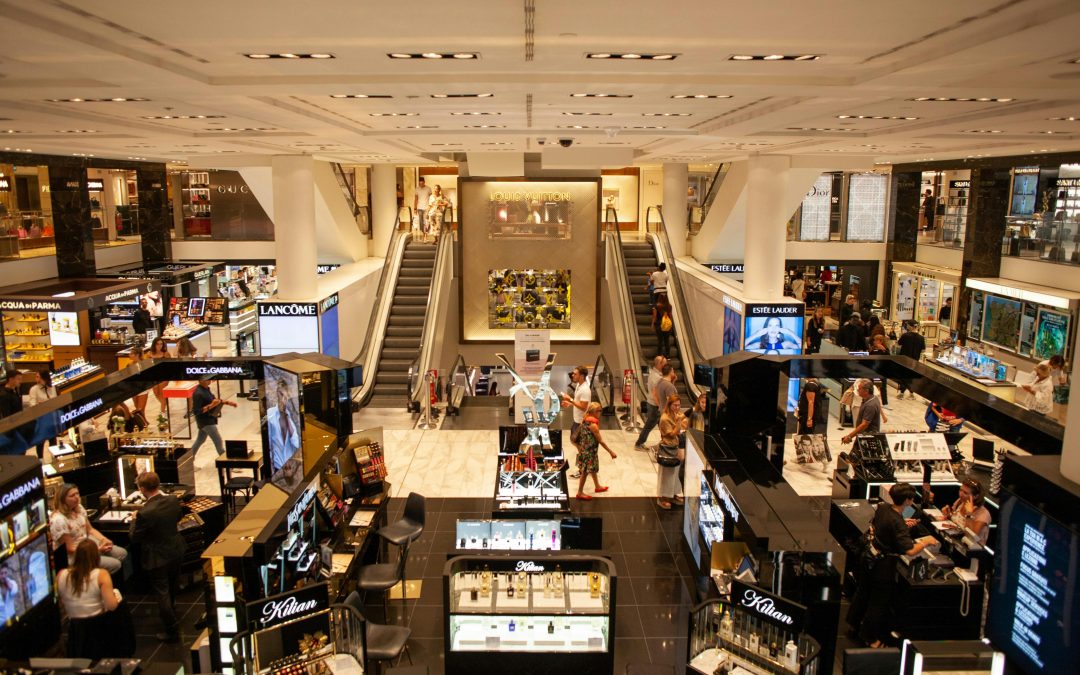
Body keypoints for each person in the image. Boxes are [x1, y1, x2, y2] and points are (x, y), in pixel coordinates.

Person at [848, 483, 936, 647]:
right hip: (882, 566)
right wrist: (926, 542)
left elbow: (884, 525)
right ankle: (870, 637)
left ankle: (853, 622)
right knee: (878, 602)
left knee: (863, 592)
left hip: (868, 557)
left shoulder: (883, 508)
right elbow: (910, 550)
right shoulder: (897, 522)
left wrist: (902, 523)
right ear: (908, 501)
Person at [128, 472, 185, 643]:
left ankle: (171, 629)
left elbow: (134, 538)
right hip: (176, 549)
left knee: (162, 593)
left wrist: (133, 519)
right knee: (173, 585)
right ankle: (172, 612)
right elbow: (178, 517)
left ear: (142, 489)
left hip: (157, 557)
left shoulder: (145, 512)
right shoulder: (173, 500)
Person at [58, 540, 121, 659]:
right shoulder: (101, 575)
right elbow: (111, 606)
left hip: (75, 629)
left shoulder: (61, 575)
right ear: (96, 556)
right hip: (98, 627)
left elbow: (61, 603)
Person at [49, 483, 128, 576]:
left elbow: (90, 530)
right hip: (76, 556)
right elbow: (70, 549)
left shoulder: (79, 508)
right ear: (63, 499)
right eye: (72, 495)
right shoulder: (58, 520)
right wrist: (97, 550)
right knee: (115, 564)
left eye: (77, 494)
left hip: (86, 543)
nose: (77, 497)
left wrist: (103, 539)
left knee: (121, 553)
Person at [573, 402, 617, 500]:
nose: (600, 412)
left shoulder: (585, 419)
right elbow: (601, 441)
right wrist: (611, 452)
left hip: (585, 449)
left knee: (591, 468)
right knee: (584, 472)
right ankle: (580, 492)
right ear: (594, 411)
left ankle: (597, 486)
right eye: (599, 410)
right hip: (589, 451)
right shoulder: (593, 425)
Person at [190, 376, 238, 458]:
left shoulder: (206, 389)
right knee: (218, 441)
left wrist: (228, 402)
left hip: (209, 419)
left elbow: (214, 400)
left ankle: (189, 460)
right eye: (207, 379)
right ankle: (229, 464)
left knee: (200, 440)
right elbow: (196, 411)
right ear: (201, 381)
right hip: (205, 422)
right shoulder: (198, 393)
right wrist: (211, 405)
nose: (210, 381)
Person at [559, 366, 592, 479]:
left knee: (580, 446)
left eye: (575, 374)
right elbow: (579, 402)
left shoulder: (585, 390)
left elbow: (583, 407)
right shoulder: (579, 385)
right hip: (577, 421)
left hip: (582, 423)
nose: (572, 375)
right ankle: (582, 467)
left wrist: (571, 400)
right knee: (575, 443)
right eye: (573, 373)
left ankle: (582, 469)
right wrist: (570, 404)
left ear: (582, 376)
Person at [656, 394, 688, 510]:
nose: (677, 407)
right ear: (669, 405)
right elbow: (673, 434)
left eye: (679, 405)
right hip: (667, 449)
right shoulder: (664, 418)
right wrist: (679, 423)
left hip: (676, 447)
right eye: (675, 405)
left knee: (676, 473)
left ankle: (673, 493)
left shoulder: (676, 415)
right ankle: (663, 497)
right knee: (667, 474)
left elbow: (685, 425)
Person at [636, 362, 676, 451]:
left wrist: (660, 406)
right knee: (652, 425)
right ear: (671, 371)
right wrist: (665, 409)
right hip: (663, 410)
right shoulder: (666, 384)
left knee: (661, 428)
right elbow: (670, 400)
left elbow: (655, 392)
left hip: (660, 409)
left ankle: (662, 445)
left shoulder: (660, 381)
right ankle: (640, 443)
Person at [940, 478, 991, 545]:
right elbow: (957, 522)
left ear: (975, 496)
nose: (961, 494)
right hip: (954, 542)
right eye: (960, 490)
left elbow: (972, 537)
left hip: (970, 551)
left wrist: (969, 515)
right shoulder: (961, 501)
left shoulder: (983, 514)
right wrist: (948, 515)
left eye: (965, 493)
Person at [841, 379, 882, 444]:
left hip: (867, 439)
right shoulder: (870, 398)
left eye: (859, 389)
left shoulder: (870, 405)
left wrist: (849, 436)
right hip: (862, 436)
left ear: (866, 391)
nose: (857, 390)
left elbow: (864, 424)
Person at [896, 322, 926, 399]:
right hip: (915, 360)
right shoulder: (921, 338)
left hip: (905, 359)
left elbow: (899, 344)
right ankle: (911, 394)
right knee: (911, 377)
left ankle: (902, 393)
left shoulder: (905, 335)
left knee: (904, 376)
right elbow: (923, 350)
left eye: (908, 325)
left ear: (910, 326)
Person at [147, 337, 170, 407]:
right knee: (156, 393)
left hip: (164, 375)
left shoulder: (165, 354)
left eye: (161, 344)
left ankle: (163, 410)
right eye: (157, 344)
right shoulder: (149, 354)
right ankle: (164, 405)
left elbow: (170, 365)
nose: (159, 346)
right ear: (154, 345)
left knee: (162, 392)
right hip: (154, 375)